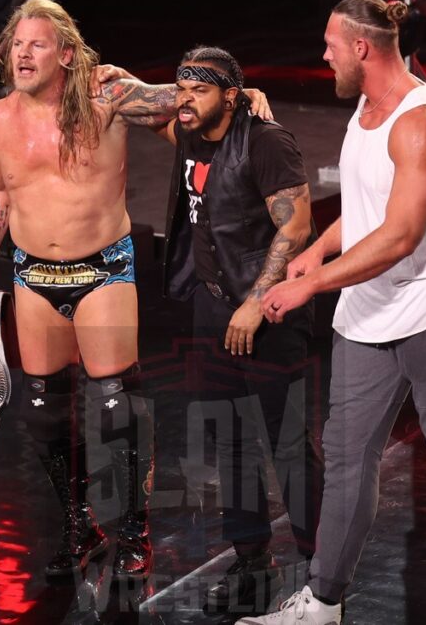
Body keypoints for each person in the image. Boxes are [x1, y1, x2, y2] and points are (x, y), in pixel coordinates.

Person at [0, 0, 273, 582]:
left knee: (113, 406)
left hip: (102, 269)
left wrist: (234, 103)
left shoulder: (106, 95)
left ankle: (132, 530)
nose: (23, 55)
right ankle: (78, 525)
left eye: (37, 45)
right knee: (43, 411)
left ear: (67, 55)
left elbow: (176, 106)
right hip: (34, 277)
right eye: (16, 45)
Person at [245, 0, 426, 625]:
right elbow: (369, 209)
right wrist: (316, 250)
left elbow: (399, 235)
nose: (324, 56)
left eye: (331, 45)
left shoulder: (424, 124)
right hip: (371, 304)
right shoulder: (367, 111)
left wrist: (309, 288)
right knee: (347, 454)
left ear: (362, 49)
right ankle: (322, 601)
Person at [150, 46, 326, 613]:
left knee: (289, 443)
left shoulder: (266, 140)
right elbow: (133, 99)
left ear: (230, 96)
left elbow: (297, 228)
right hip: (212, 304)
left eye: (198, 91)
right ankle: (252, 562)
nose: (184, 100)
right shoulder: (189, 129)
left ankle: (320, 571)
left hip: (269, 309)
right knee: (228, 437)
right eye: (180, 89)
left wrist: (255, 304)